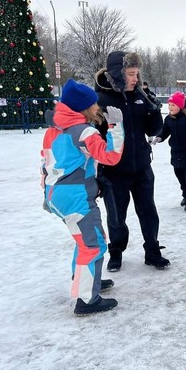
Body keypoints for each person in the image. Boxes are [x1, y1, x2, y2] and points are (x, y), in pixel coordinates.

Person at [40, 79, 124, 315]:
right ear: (83, 107)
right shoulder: (84, 131)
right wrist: (116, 128)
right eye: (93, 103)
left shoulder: (53, 130)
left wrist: (49, 193)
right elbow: (110, 156)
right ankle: (87, 299)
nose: (97, 107)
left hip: (58, 195)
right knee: (93, 244)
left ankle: (85, 279)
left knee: (84, 239)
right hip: (76, 196)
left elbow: (45, 164)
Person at [94, 51, 169, 271]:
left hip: (142, 168)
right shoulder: (101, 100)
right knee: (117, 216)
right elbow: (96, 139)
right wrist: (99, 173)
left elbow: (154, 130)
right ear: (118, 74)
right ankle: (116, 250)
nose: (136, 79)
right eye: (131, 74)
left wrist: (154, 109)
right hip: (114, 171)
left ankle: (152, 250)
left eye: (137, 73)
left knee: (148, 211)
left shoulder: (139, 95)